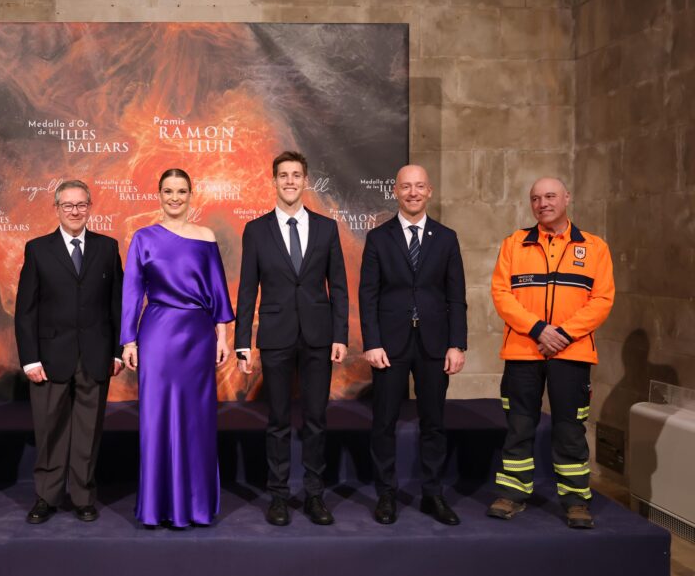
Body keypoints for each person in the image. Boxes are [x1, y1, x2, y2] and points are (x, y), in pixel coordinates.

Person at [488, 177, 614, 529]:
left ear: (566, 198)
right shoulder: (514, 244)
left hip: (572, 353)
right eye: (536, 198)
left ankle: (576, 501)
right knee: (518, 425)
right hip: (522, 351)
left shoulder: (594, 247)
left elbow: (602, 300)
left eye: (550, 196)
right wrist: (538, 329)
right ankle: (512, 495)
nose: (542, 203)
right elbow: (501, 294)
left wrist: (563, 334)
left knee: (570, 429)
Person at [235, 150, 348, 527]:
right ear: (274, 181)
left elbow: (339, 287)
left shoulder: (327, 228)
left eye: (296, 175)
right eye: (283, 175)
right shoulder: (256, 230)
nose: (289, 181)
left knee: (316, 419)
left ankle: (315, 496)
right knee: (278, 420)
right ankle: (279, 497)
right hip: (275, 335)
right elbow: (247, 289)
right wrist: (241, 342)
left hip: (318, 336)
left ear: (305, 180)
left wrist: (340, 335)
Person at [121, 168, 234, 527]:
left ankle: (196, 507)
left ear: (190, 195)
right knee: (156, 419)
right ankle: (157, 507)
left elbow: (218, 291)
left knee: (197, 420)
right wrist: (128, 340)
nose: (174, 198)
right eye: (168, 191)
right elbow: (132, 291)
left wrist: (223, 337)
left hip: (198, 336)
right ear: (159, 194)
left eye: (181, 191)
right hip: (157, 335)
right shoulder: (143, 238)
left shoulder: (206, 236)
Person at [359, 164, 467, 526]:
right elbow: (368, 295)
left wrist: (457, 344)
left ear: (429, 191)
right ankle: (386, 495)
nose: (413, 193)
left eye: (419, 186)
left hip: (435, 345)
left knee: (434, 423)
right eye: (406, 187)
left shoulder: (446, 238)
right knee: (384, 422)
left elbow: (456, 297)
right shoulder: (378, 238)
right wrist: (372, 342)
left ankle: (433, 494)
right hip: (389, 346)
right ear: (395, 191)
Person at [15, 180, 124, 524]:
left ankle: (82, 497)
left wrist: (117, 352)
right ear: (57, 208)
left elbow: (117, 305)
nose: (75, 211)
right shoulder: (37, 249)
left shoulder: (107, 247)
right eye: (68, 205)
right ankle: (46, 497)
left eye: (81, 205)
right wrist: (30, 358)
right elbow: (25, 310)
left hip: (96, 355)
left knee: (88, 432)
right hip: (49, 357)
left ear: (90, 207)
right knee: (49, 429)